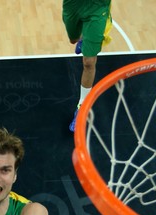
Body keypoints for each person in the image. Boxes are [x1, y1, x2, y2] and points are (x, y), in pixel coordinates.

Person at [64, 0, 113, 132]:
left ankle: (82, 107)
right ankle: (82, 37)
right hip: (73, 4)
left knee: (89, 62)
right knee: (72, 39)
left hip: (97, 7)